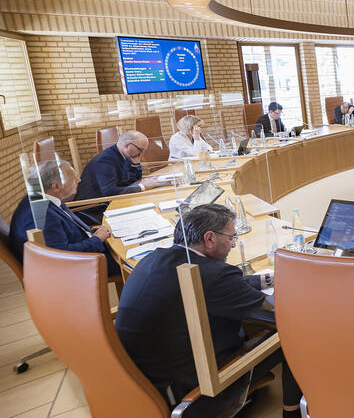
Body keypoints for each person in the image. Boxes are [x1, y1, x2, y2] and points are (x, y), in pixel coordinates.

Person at [114, 204, 301, 418]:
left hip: (140, 383)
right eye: (231, 237)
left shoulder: (153, 259)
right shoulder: (214, 276)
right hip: (192, 392)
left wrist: (268, 278)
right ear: (210, 238)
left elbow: (222, 287)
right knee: (291, 337)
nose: (233, 244)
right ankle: (292, 414)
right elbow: (279, 315)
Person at [9, 160, 119, 274]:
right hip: (78, 266)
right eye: (73, 178)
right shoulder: (44, 215)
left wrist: (92, 231)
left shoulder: (39, 198)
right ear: (56, 186)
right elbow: (62, 255)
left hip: (84, 251)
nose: (79, 180)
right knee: (132, 263)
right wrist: (96, 239)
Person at [75, 130, 165, 221]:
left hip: (110, 203)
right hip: (94, 209)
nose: (142, 154)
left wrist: (136, 163)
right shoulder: (106, 160)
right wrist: (142, 186)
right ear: (126, 146)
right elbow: (110, 192)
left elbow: (135, 179)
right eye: (141, 150)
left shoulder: (124, 154)